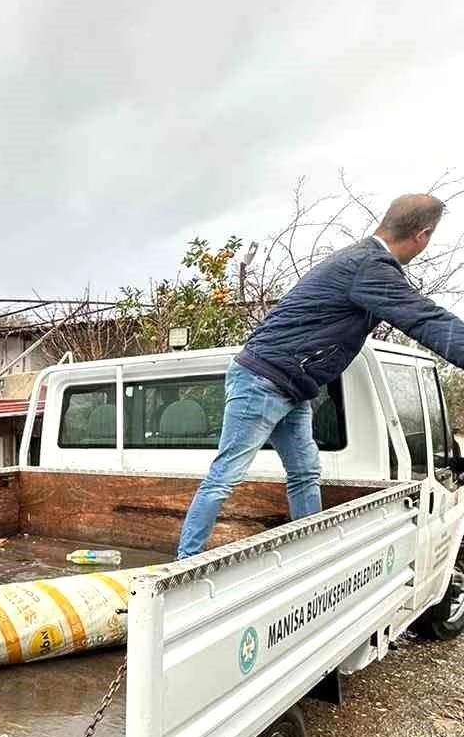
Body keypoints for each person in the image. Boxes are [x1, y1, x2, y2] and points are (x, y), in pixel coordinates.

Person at [177, 193, 464, 558]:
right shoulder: (369, 266)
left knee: (305, 472)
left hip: (291, 387)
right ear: (423, 235)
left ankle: (308, 553)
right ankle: (184, 560)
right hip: (263, 380)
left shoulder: (361, 261)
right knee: (226, 476)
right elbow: (426, 318)